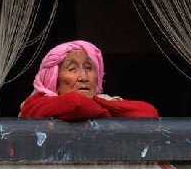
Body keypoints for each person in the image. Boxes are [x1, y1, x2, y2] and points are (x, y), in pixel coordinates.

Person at [18, 40, 158, 121]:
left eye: (89, 68)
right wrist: (107, 113)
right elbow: (77, 104)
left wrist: (98, 104)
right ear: (54, 78)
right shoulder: (35, 103)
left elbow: (149, 112)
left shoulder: (103, 100)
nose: (83, 77)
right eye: (72, 69)